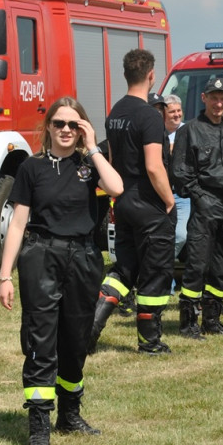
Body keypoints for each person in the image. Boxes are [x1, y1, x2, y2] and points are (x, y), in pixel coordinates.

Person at [0, 97, 123, 445]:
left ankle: (69, 415)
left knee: (77, 338)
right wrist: (5, 275)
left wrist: (93, 146)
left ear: (82, 127)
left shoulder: (89, 164)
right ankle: (39, 426)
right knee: (41, 339)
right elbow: (18, 223)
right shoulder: (32, 168)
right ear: (48, 127)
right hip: (42, 256)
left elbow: (116, 188)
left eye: (73, 124)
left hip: (83, 257)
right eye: (59, 124)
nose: (65, 130)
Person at [90, 49, 177, 355]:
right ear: (151, 76)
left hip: (123, 201)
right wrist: (168, 202)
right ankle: (150, 342)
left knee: (124, 269)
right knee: (155, 273)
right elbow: (154, 166)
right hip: (149, 205)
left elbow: (111, 163)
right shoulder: (150, 116)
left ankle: (89, 331)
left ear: (125, 74)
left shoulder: (115, 113)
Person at [172, 77, 223, 338]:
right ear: (204, 98)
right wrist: (201, 198)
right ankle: (188, 321)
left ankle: (212, 318)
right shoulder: (189, 131)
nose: (219, 103)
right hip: (206, 204)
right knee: (197, 263)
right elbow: (180, 172)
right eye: (214, 97)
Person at [164, 94, 192, 262]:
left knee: (181, 235)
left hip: (182, 195)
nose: (176, 114)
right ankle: (168, 282)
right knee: (161, 235)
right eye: (172, 111)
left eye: (179, 110)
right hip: (159, 192)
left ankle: (158, 268)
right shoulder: (155, 132)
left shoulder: (189, 131)